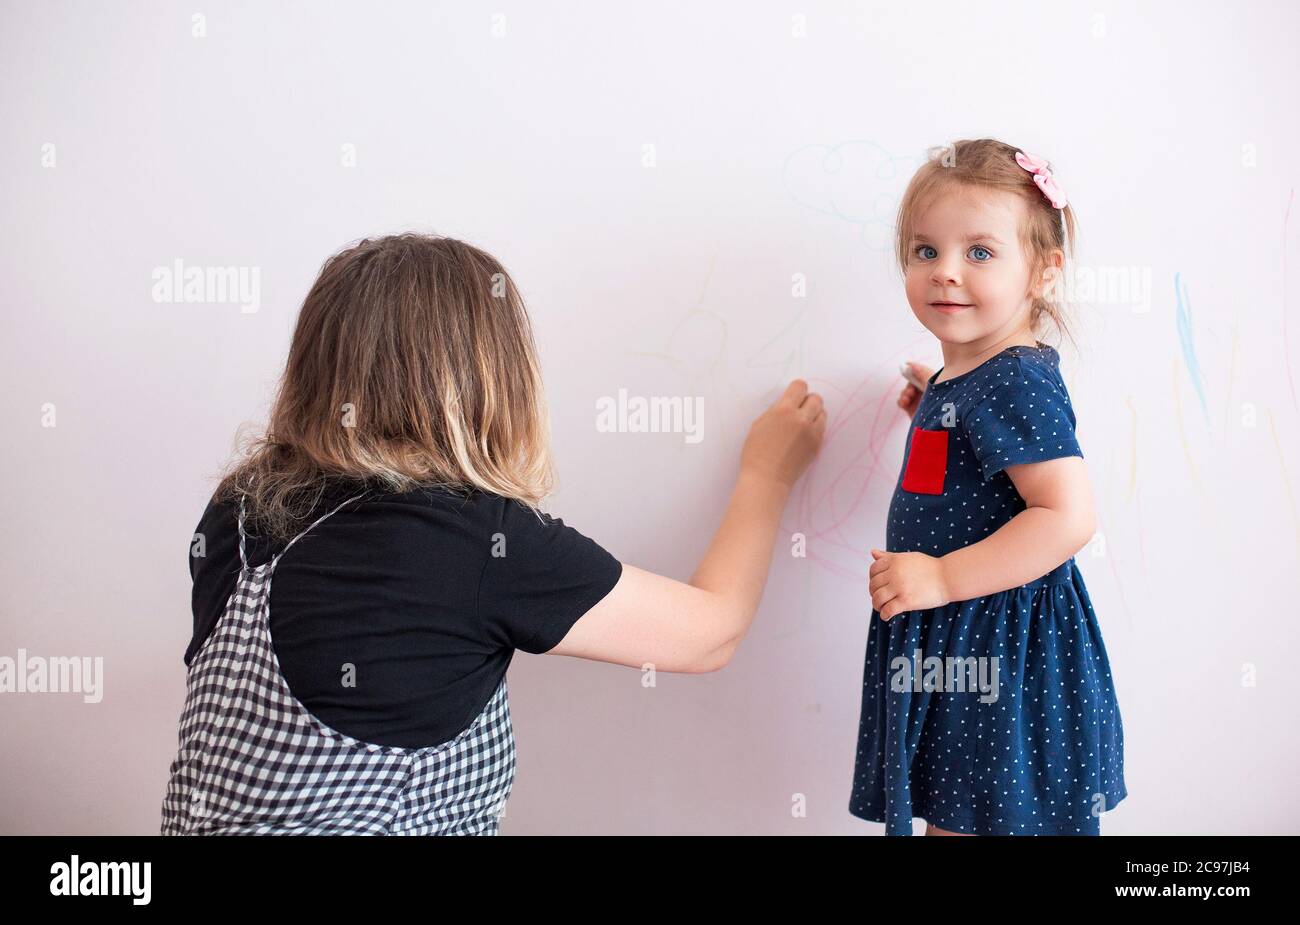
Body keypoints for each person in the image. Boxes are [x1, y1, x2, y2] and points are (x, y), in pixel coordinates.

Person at [161, 233, 825, 834]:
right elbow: (709, 632)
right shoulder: (469, 540)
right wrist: (766, 476)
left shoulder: (238, 506)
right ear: (488, 379)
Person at [849, 139, 1127, 835]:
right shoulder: (970, 377)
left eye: (980, 252)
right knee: (961, 815)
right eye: (925, 251)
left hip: (997, 646)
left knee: (980, 820)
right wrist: (936, 416)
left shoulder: (1012, 379)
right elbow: (985, 478)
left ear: (1043, 272)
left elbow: (1067, 515)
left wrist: (941, 578)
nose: (946, 272)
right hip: (967, 641)